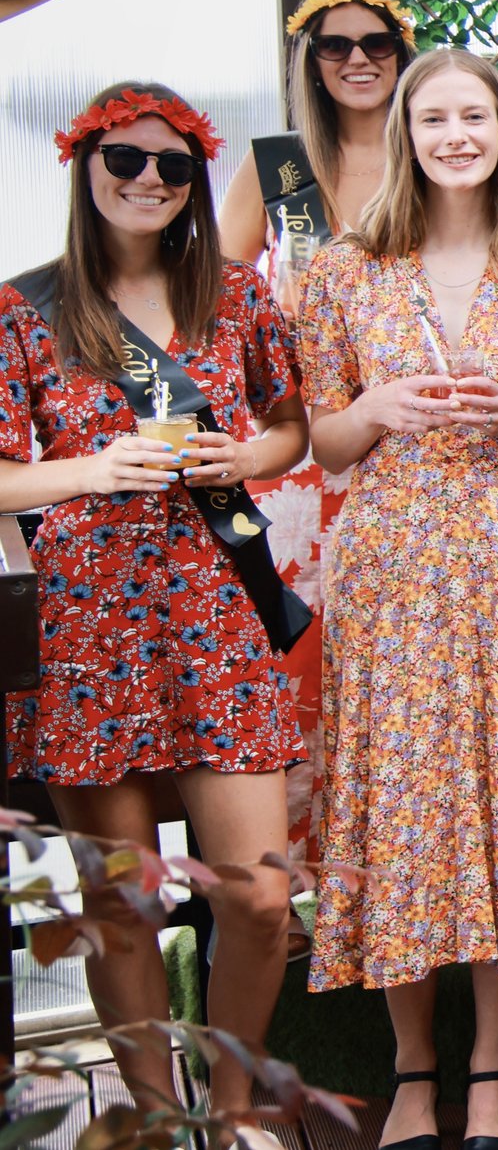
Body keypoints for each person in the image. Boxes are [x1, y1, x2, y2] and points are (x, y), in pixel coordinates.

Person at [296, 49, 498, 1150]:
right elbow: (323, 443)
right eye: (434, 118)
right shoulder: (343, 271)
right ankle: (412, 1067)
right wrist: (376, 402)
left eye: (474, 114)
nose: (455, 134)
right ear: (405, 134)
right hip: (391, 559)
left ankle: (490, 1072)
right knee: (405, 800)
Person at [3, 84, 304, 1142]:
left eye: (173, 167)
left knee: (260, 896)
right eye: (125, 160)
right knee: (122, 909)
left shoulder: (234, 297)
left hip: (219, 620)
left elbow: (290, 424)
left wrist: (245, 455)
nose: (149, 181)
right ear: (84, 168)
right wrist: (88, 468)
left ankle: (231, 1112)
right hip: (91, 633)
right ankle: (152, 1117)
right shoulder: (26, 307)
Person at [216, 0, 416, 849]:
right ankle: (300, 874)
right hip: (303, 448)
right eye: (335, 45)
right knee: (300, 655)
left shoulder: (434, 151)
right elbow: (214, 310)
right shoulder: (277, 167)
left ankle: (394, 866)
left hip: (409, 442)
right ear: (309, 59)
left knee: (396, 664)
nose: (359, 59)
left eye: (376, 42)